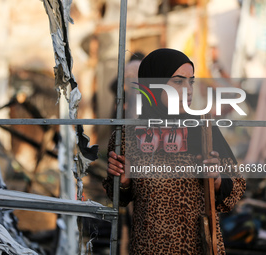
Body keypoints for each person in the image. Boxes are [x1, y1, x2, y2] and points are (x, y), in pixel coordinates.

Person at [103, 48, 246, 254]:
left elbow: (237, 187)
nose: (188, 89)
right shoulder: (129, 135)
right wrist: (123, 182)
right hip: (148, 247)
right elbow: (118, 197)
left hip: (196, 247)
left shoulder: (204, 130)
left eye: (191, 82)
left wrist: (216, 181)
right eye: (178, 81)